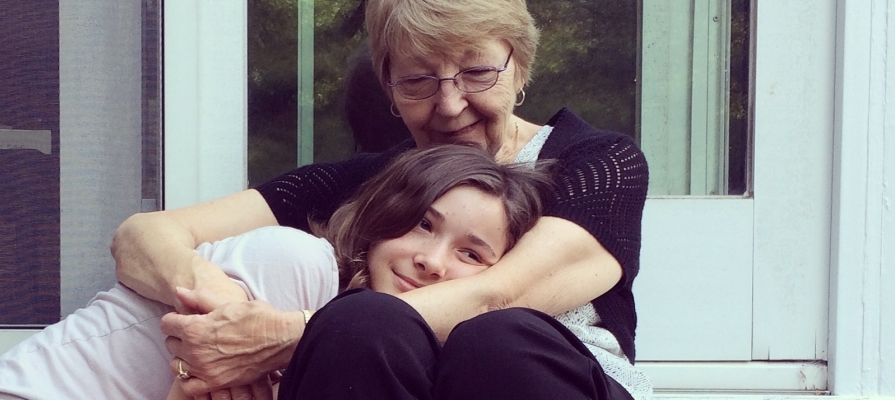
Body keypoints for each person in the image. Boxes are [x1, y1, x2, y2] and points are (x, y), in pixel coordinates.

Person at [114, 0, 651, 398]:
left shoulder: (598, 164)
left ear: (520, 67)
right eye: (417, 79)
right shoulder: (379, 179)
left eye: (477, 72)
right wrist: (219, 310)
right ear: (389, 88)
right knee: (363, 324)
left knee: (496, 341)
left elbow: (499, 295)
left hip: (549, 380)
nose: (449, 103)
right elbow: (142, 236)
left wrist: (287, 334)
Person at [0, 145, 556, 399]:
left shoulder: (401, 351)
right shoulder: (296, 264)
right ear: (381, 221)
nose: (432, 259)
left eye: (471, 253)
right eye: (422, 225)